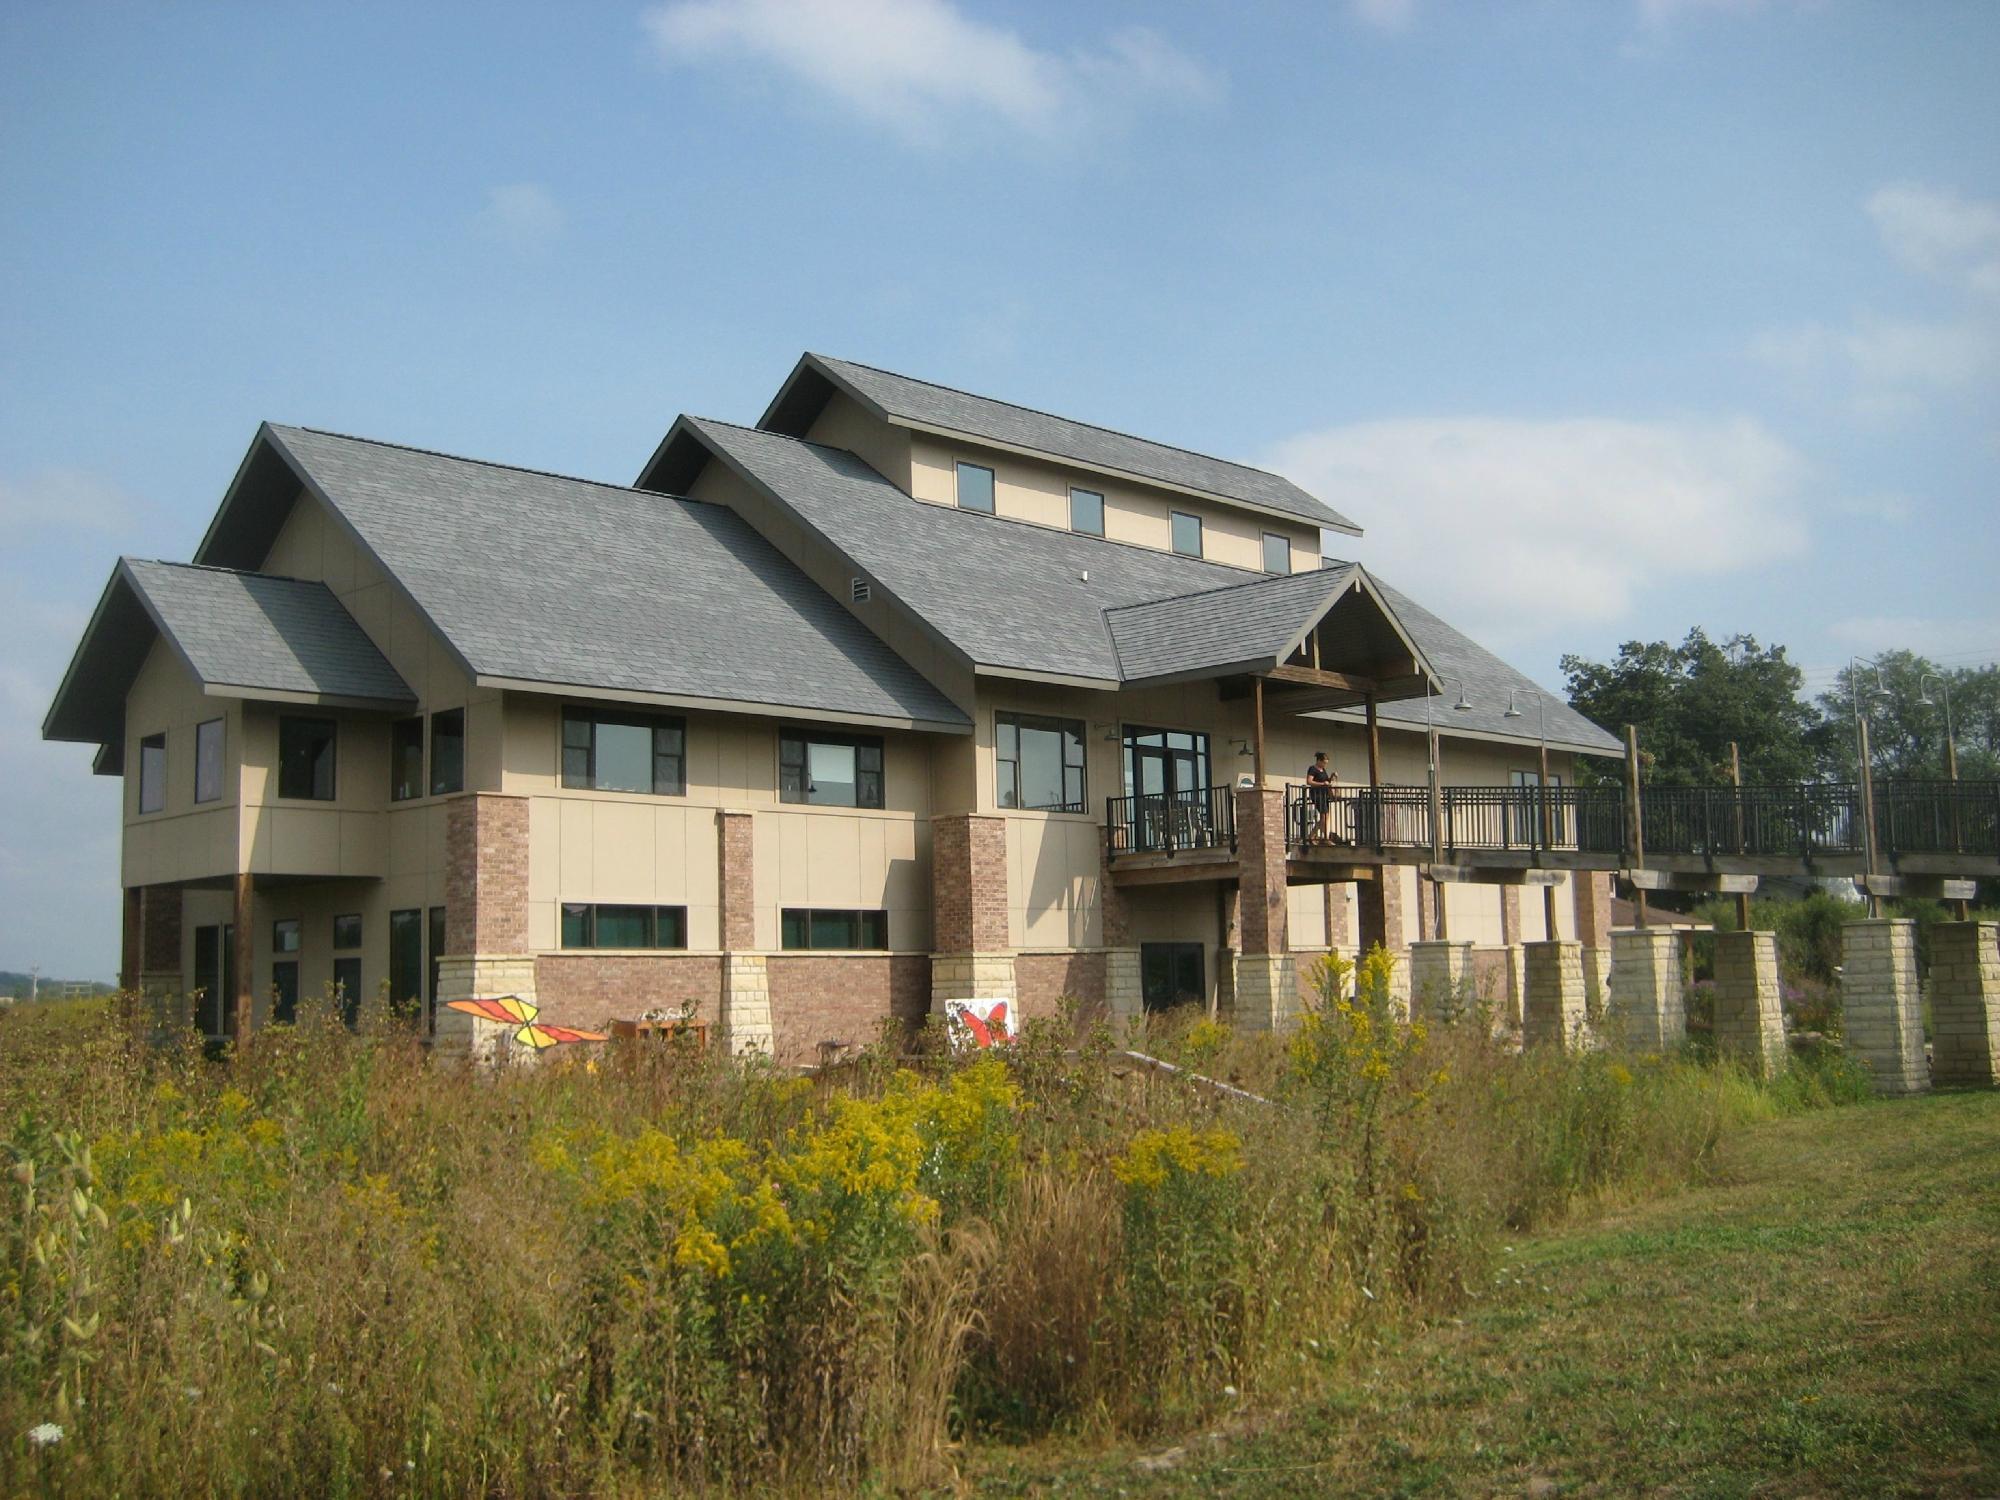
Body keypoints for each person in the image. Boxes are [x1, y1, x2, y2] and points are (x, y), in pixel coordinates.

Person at [1305, 750, 1339, 843]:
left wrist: (1332, 776)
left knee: (1326, 815)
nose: (1325, 765)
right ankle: (1325, 837)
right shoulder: (1312, 769)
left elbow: (1326, 781)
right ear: (1319, 761)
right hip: (1317, 794)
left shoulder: (1323, 770)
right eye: (1324, 763)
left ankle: (1312, 835)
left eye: (1326, 763)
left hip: (1324, 794)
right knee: (1324, 815)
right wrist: (1322, 783)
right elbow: (1309, 781)